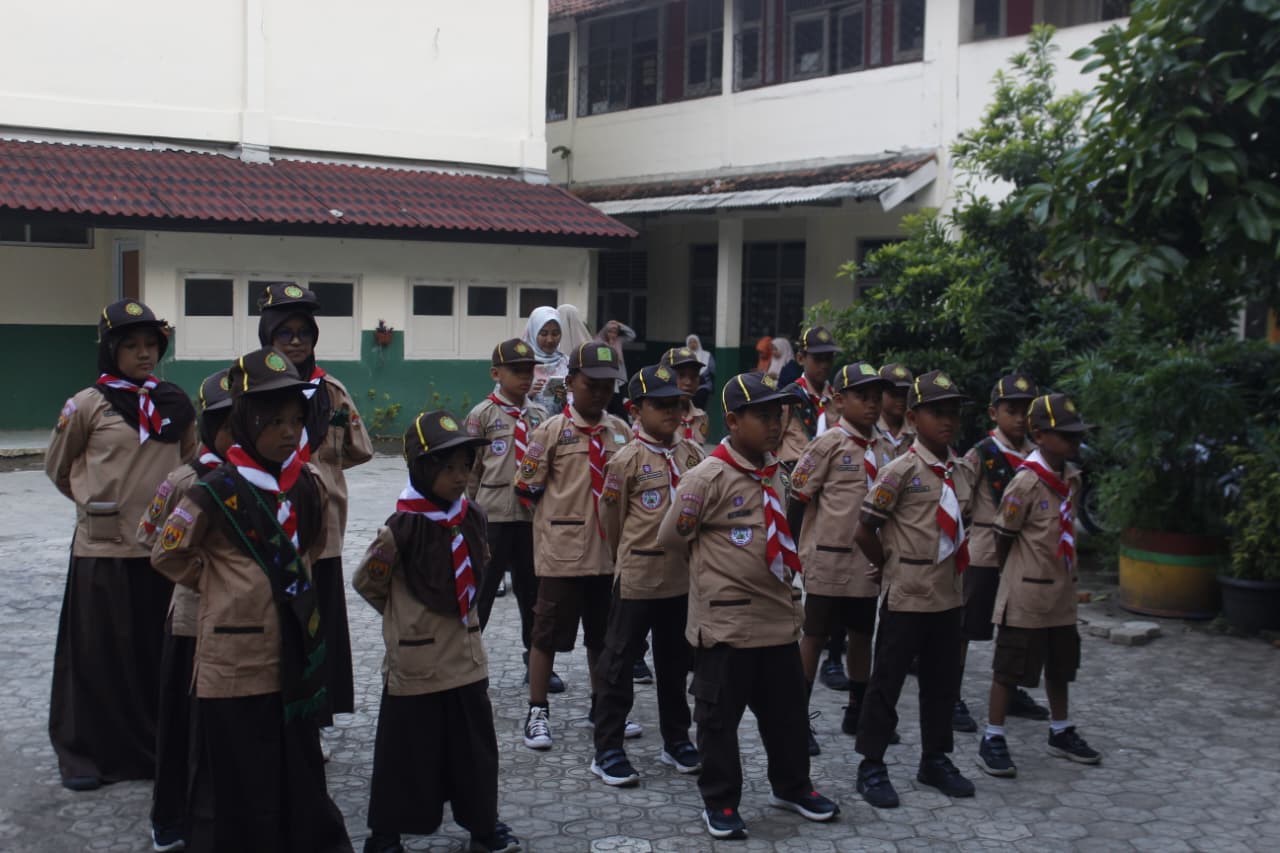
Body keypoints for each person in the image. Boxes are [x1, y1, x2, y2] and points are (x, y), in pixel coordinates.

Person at [150, 347, 351, 853]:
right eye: (274, 420)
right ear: (243, 420)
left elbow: (313, 547)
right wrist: (221, 580)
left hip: (292, 657)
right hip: (234, 660)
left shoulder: (305, 485)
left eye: (295, 420)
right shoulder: (211, 491)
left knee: (295, 762)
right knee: (239, 771)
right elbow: (166, 554)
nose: (288, 432)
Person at [658, 372, 840, 840]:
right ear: (734, 421)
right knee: (718, 718)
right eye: (763, 415)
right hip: (727, 623)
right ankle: (720, 802)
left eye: (778, 413)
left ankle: (793, 785)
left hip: (778, 621)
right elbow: (672, 537)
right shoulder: (708, 477)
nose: (775, 424)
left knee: (787, 713)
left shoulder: (775, 472)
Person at [45, 299, 197, 792]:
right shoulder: (87, 404)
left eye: (151, 345)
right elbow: (59, 468)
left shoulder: (175, 404)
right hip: (104, 551)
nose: (143, 354)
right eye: (131, 345)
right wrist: (96, 505)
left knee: (155, 654)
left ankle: (159, 746)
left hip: (160, 550)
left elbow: (193, 465)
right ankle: (88, 752)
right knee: (99, 656)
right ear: (111, 350)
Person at [355, 410, 522, 853]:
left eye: (465, 466)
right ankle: (386, 833)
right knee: (405, 753)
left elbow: (480, 571)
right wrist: (404, 619)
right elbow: (368, 583)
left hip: (466, 662)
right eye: (447, 467)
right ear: (422, 469)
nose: (458, 477)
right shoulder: (400, 529)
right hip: (417, 664)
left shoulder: (473, 518)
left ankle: (483, 826)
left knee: (475, 753)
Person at [852, 370, 977, 809]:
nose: (947, 421)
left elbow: (963, 527)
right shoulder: (899, 470)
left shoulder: (961, 471)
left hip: (947, 594)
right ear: (914, 415)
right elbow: (866, 527)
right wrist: (887, 563)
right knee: (886, 681)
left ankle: (935, 758)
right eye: (937, 412)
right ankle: (871, 764)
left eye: (953, 413)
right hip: (907, 593)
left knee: (942, 682)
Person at [257, 282, 373, 733]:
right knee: (273, 623)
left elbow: (358, 449)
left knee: (316, 626)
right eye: (284, 333)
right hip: (268, 526)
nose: (295, 341)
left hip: (320, 534)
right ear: (268, 336)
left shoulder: (330, 391)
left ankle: (316, 718)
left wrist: (319, 471)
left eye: (304, 332)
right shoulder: (251, 386)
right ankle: (271, 710)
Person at [590, 365, 706, 787]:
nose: (671, 412)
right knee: (619, 662)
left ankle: (675, 738)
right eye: (659, 405)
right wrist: (629, 557)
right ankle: (608, 748)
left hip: (681, 579)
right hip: (639, 575)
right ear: (636, 409)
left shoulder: (691, 454)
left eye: (676, 403)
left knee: (676, 664)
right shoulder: (626, 461)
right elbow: (612, 521)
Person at [514, 342, 633, 750]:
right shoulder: (550, 432)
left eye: (607, 386)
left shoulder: (620, 431)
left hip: (608, 556)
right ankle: (537, 710)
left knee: (603, 638)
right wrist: (557, 522)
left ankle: (602, 707)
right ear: (570, 384)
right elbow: (527, 487)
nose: (599, 393)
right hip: (562, 557)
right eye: (590, 384)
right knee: (546, 635)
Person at [977, 393, 1101, 779]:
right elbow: (1003, 536)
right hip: (1026, 592)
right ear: (1040, 435)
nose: (1074, 444)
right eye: (1066, 437)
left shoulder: (1071, 479)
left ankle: (1060, 730)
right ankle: (993, 736)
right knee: (1009, 667)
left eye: (1077, 437)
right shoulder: (1025, 483)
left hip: (1061, 594)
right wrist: (1015, 575)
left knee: (1061, 665)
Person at [136, 369, 233, 852]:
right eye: (226, 422)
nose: (239, 431)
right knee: (183, 726)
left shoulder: (278, 482)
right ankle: (171, 817)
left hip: (252, 632)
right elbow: (150, 536)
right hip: (193, 624)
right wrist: (211, 576)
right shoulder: (184, 481)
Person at [787, 363, 894, 757]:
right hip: (829, 559)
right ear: (838, 400)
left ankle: (857, 708)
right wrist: (794, 552)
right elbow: (798, 497)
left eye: (875, 397)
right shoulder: (828, 444)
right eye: (861, 397)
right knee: (813, 635)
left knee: (862, 635)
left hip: (866, 562)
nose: (871, 405)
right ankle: (799, 717)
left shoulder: (884, 447)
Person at [464, 338, 564, 694]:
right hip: (492, 517)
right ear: (496, 373)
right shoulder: (482, 416)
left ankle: (536, 661)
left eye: (530, 370)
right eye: (516, 370)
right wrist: (466, 516)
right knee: (484, 591)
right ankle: (468, 661)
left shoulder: (540, 417)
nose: (525, 377)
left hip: (531, 518)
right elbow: (470, 471)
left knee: (534, 594)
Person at [956, 375, 1050, 734]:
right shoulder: (980, 454)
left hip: (1024, 557)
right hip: (985, 551)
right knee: (965, 628)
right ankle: (952, 694)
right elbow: (961, 501)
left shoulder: (1038, 457)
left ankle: (1009, 691)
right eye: (1012, 410)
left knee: (1018, 629)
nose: (1020, 418)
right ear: (993, 412)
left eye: (1027, 410)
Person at [778, 326, 838, 466]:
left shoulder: (836, 399)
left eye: (828, 359)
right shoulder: (789, 397)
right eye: (818, 359)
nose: (824, 365)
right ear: (800, 358)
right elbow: (771, 442)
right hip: (795, 473)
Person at [660, 345, 711, 445]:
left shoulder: (701, 417)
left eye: (694, 376)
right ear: (663, 376)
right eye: (681, 375)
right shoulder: (654, 418)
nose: (688, 382)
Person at [524, 306, 569, 412]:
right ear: (533, 332)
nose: (550, 340)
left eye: (555, 334)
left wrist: (564, 399)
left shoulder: (567, 364)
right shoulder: (519, 363)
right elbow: (502, 403)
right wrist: (526, 395)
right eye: (543, 334)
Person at [598, 320, 638, 418]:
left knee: (619, 403)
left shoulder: (618, 341)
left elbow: (632, 335)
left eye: (615, 332)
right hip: (606, 378)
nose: (612, 334)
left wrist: (619, 325)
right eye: (610, 331)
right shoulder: (600, 342)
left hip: (619, 379)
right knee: (607, 403)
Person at [876, 363, 916, 458]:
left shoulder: (917, 430)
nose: (901, 399)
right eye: (894, 393)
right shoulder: (869, 428)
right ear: (879, 394)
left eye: (905, 394)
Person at [684, 334, 716, 410]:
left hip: (703, 386)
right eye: (690, 342)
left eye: (694, 342)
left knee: (700, 400)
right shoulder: (683, 355)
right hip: (687, 385)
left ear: (698, 343)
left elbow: (713, 370)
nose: (692, 344)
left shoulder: (707, 355)